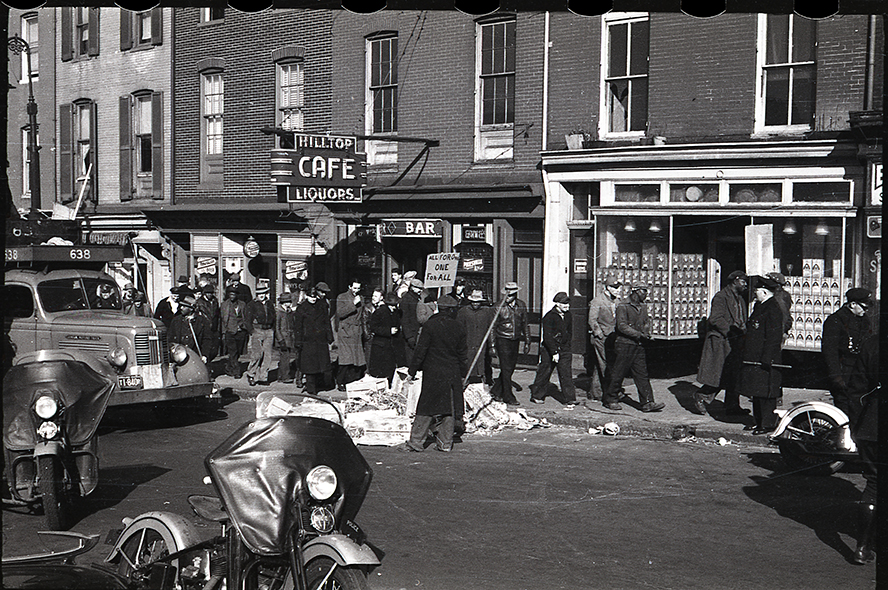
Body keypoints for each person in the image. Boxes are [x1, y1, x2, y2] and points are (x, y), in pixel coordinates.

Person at [404, 295, 468, 453]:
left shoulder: (430, 325)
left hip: (432, 371)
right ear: (452, 310)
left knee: (426, 406)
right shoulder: (459, 327)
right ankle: (445, 443)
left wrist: (412, 371)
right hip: (452, 371)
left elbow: (420, 351)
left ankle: (416, 442)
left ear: (439, 307)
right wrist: (463, 374)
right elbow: (463, 355)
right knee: (448, 408)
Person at [602, 283, 664, 413]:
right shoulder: (623, 306)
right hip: (624, 344)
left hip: (638, 344)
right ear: (635, 291)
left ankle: (647, 402)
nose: (646, 294)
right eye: (644, 291)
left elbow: (645, 322)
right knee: (618, 373)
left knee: (642, 374)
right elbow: (621, 326)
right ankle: (610, 399)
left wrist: (646, 333)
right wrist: (639, 334)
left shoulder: (643, 306)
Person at [693, 270, 748, 415]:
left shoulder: (740, 299)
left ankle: (732, 406)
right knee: (720, 374)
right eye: (743, 281)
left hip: (735, 341)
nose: (745, 285)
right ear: (735, 281)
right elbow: (715, 319)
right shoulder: (721, 297)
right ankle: (702, 396)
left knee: (734, 374)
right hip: (722, 341)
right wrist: (731, 331)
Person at [846, 329, 879, 565]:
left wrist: (858, 427)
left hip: (872, 425)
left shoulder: (872, 343)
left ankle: (862, 546)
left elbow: (856, 389)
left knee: (874, 483)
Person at [739, 276, 784, 434]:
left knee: (766, 392)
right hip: (755, 357)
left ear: (764, 292)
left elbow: (773, 337)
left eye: (757, 290)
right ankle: (758, 421)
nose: (754, 293)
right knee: (756, 390)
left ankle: (767, 424)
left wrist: (767, 357)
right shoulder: (760, 306)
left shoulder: (773, 308)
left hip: (765, 357)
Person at [821, 287, 874, 417]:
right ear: (852, 304)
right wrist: (836, 377)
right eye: (863, 307)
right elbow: (830, 351)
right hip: (843, 374)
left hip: (859, 374)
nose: (865, 311)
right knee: (844, 413)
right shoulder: (835, 321)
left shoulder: (864, 320)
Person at [530, 292, 576, 406]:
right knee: (545, 372)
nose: (567, 306)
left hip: (564, 348)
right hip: (549, 349)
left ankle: (569, 398)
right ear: (557, 304)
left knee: (566, 373)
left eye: (568, 304)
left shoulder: (568, 315)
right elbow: (547, 337)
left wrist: (567, 346)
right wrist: (554, 352)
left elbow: (569, 332)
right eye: (564, 304)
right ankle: (537, 395)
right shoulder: (549, 317)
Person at [491, 282, 530, 406]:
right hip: (502, 339)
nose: (508, 297)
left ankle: (496, 390)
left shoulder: (521, 305)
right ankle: (508, 396)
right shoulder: (498, 306)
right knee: (506, 367)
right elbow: (492, 327)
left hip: (515, 339)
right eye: (506, 294)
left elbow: (525, 324)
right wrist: (492, 345)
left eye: (511, 295)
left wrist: (527, 341)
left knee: (510, 368)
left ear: (515, 294)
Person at [294, 287, 335, 395]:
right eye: (310, 297)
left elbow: (326, 322)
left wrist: (329, 336)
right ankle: (311, 389)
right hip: (307, 341)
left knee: (321, 365)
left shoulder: (321, 306)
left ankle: (319, 385)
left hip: (320, 340)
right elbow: (298, 327)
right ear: (306, 296)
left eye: (314, 297)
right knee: (310, 367)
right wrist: (298, 341)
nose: (313, 299)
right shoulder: (301, 308)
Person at [587, 276, 621, 401]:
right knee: (605, 364)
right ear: (607, 288)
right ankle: (610, 392)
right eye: (614, 288)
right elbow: (592, 320)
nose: (617, 290)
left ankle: (595, 392)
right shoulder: (597, 301)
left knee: (600, 363)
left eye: (618, 288)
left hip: (613, 338)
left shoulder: (617, 301)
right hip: (601, 338)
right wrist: (599, 334)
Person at [457, 289, 496, 386]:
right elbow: (458, 329)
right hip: (468, 343)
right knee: (467, 365)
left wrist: (491, 345)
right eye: (473, 302)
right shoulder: (463, 311)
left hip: (481, 344)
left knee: (482, 365)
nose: (475, 304)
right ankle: (466, 384)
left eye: (478, 302)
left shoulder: (486, 311)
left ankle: (481, 383)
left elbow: (491, 328)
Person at [368, 291, 404, 386]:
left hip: (391, 346)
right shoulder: (379, 312)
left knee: (389, 369)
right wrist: (388, 331)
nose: (394, 307)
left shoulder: (396, 313)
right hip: (381, 346)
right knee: (381, 371)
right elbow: (373, 327)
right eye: (392, 305)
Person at [335, 279, 367, 389]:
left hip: (356, 331)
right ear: (349, 286)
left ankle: (351, 381)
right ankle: (340, 381)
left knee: (356, 359)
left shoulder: (361, 298)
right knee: (346, 359)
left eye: (358, 288)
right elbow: (340, 313)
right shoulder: (342, 297)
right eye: (354, 288)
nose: (356, 290)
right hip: (346, 331)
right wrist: (353, 304)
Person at [244, 284, 276, 386]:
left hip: (268, 330)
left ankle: (263, 376)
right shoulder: (252, 304)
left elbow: (273, 316)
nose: (261, 295)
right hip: (257, 330)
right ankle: (251, 374)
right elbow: (247, 319)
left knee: (267, 355)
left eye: (263, 293)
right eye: (259, 293)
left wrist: (272, 329)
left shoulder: (269, 303)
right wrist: (252, 331)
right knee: (257, 354)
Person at [167, 294, 212, 363]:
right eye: (181, 306)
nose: (181, 308)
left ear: (191, 309)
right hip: (178, 357)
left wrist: (204, 355)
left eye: (184, 306)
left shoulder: (202, 321)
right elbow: (170, 338)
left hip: (195, 357)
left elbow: (206, 340)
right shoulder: (176, 320)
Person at [220, 286, 248, 377]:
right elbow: (222, 319)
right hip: (230, 331)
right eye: (230, 294)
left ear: (236, 295)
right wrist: (224, 332)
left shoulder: (242, 304)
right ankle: (237, 371)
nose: (232, 296)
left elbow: (245, 317)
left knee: (238, 352)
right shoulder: (224, 305)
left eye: (234, 294)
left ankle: (228, 367)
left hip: (241, 332)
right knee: (233, 351)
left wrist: (243, 326)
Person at [275, 293, 298, 384]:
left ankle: (281, 376)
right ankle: (285, 376)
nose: (290, 303)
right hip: (283, 339)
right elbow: (277, 328)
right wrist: (280, 340)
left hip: (288, 338)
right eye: (289, 301)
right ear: (284, 302)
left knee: (285, 358)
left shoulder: (288, 311)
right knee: (285, 358)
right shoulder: (279, 312)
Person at [399, 277, 424, 361]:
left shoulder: (417, 298)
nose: (420, 290)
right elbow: (404, 319)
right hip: (411, 334)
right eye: (418, 288)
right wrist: (409, 336)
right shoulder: (407, 299)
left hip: (416, 333)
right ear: (412, 287)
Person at [195, 283, 221, 363]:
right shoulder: (199, 302)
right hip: (204, 327)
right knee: (206, 348)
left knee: (214, 349)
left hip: (214, 328)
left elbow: (217, 315)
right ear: (204, 293)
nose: (209, 294)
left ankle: (208, 361)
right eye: (208, 293)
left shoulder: (214, 301)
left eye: (211, 293)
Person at [363, 288, 384, 362]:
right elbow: (364, 322)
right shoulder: (367, 308)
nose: (373, 298)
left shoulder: (383, 307)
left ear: (381, 298)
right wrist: (368, 336)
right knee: (369, 357)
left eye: (376, 296)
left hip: (380, 336)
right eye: (373, 296)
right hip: (370, 336)